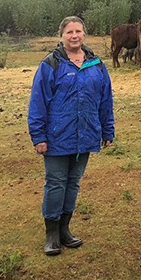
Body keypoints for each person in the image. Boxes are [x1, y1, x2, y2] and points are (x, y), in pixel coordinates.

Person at [27, 16, 115, 256]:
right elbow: (38, 103)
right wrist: (39, 137)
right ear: (61, 36)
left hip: (86, 135)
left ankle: (65, 230)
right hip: (57, 136)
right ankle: (52, 234)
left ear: (84, 34)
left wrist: (107, 130)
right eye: (69, 32)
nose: (74, 36)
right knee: (56, 183)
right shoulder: (51, 64)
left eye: (78, 31)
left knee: (73, 183)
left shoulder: (96, 64)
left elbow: (105, 100)